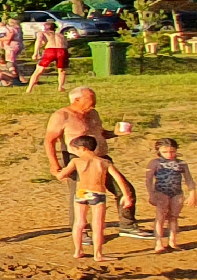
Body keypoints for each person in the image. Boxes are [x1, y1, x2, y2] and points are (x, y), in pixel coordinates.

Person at [43, 87, 137, 234]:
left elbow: (100, 133)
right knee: (80, 195)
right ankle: (81, 232)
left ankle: (128, 225)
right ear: (77, 99)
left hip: (101, 158)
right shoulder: (62, 116)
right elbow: (49, 141)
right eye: (90, 97)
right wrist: (54, 164)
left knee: (125, 189)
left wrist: (115, 133)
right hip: (78, 159)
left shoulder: (93, 113)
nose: (95, 100)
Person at [66, 135, 130, 261]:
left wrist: (56, 172)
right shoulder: (104, 162)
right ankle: (98, 254)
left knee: (79, 222)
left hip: (82, 192)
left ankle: (78, 251)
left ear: (83, 148)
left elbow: (62, 174)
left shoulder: (76, 161)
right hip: (97, 193)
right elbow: (119, 178)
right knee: (98, 224)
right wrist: (126, 195)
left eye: (75, 149)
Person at [145, 138, 196, 253]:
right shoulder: (155, 163)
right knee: (160, 216)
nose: (169, 154)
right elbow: (148, 180)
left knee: (174, 217)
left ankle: (172, 241)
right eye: (165, 152)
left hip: (177, 192)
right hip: (161, 192)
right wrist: (151, 194)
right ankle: (158, 243)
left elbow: (189, 179)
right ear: (158, 151)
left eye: (172, 151)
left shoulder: (181, 163)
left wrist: (192, 193)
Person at [24, 22, 70, 93]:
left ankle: (29, 89)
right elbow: (66, 44)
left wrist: (36, 52)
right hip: (62, 50)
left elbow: (39, 41)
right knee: (61, 70)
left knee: (39, 70)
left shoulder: (42, 33)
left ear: (45, 28)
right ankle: (60, 87)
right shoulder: (60, 35)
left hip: (50, 50)